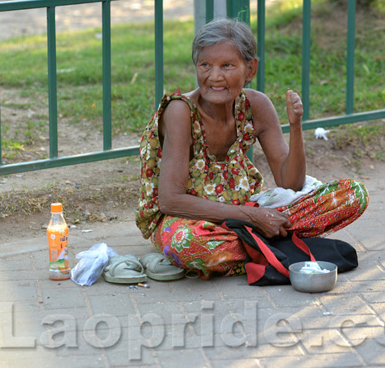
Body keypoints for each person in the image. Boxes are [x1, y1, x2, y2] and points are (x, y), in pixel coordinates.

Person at [136, 18, 369, 280]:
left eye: (227, 65)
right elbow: (171, 201)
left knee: (352, 195)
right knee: (191, 245)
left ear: (250, 69)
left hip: (245, 214)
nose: (215, 77)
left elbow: (290, 182)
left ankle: (252, 247)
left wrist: (295, 127)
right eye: (205, 65)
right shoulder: (180, 111)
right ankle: (267, 245)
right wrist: (253, 217)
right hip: (188, 219)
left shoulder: (256, 105)